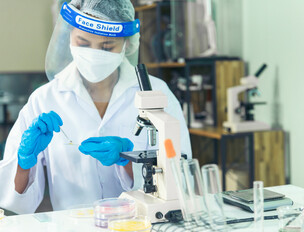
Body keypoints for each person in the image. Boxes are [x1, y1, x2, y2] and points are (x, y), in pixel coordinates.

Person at [0, 0, 191, 214]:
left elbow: (183, 178)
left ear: (127, 44)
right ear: (69, 36)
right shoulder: (44, 100)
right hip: (74, 231)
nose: (94, 54)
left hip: (142, 228)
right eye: (83, 43)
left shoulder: (157, 94)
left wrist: (128, 163)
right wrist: (24, 163)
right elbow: (15, 204)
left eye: (107, 47)